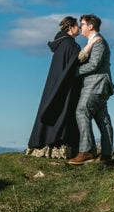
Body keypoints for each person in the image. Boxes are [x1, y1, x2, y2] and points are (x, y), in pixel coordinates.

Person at [26, 16, 82, 157]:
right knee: (64, 110)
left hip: (53, 84)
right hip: (66, 86)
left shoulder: (61, 43)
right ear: (70, 27)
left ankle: (42, 142)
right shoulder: (71, 45)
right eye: (77, 26)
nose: (79, 28)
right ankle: (58, 144)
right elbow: (74, 66)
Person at [68, 14, 114, 165]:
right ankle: (107, 154)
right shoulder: (93, 42)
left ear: (90, 26)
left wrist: (74, 72)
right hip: (100, 85)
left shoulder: (98, 42)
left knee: (82, 111)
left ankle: (87, 151)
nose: (80, 26)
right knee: (103, 119)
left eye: (82, 24)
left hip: (96, 84)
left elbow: (94, 64)